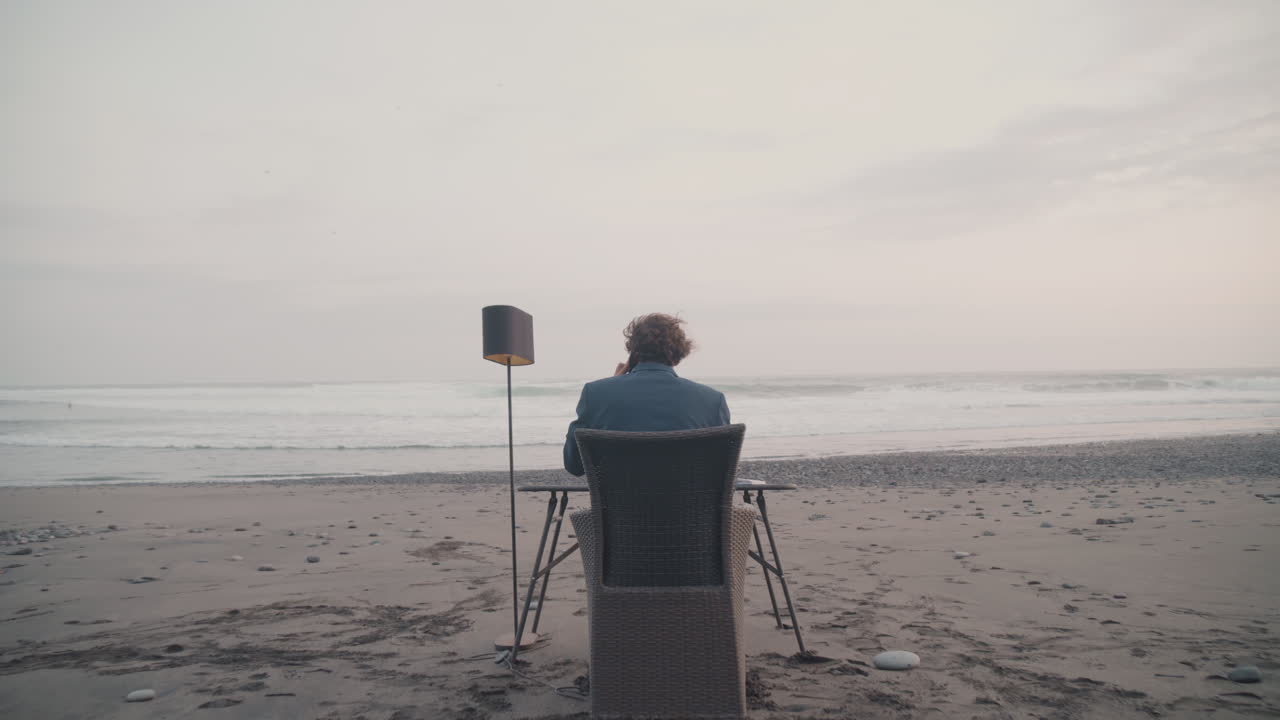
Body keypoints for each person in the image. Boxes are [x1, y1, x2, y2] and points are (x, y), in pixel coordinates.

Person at [563, 313, 731, 476]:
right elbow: (722, 467)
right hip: (692, 496)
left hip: (619, 497)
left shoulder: (596, 394)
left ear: (633, 354)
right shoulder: (712, 401)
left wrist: (610, 386)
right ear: (678, 355)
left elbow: (574, 465)